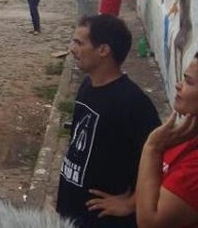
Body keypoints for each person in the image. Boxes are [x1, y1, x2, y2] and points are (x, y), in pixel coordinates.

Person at [56, 15, 161, 228]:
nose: (72, 49)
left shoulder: (133, 103)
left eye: (79, 43)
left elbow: (161, 160)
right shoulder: (87, 86)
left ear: (103, 50)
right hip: (71, 215)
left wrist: (132, 203)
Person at [135, 52, 198, 228]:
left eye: (189, 81)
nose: (179, 85)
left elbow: (149, 223)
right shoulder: (184, 135)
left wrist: (152, 148)